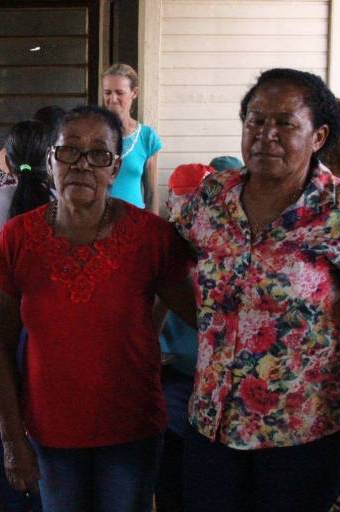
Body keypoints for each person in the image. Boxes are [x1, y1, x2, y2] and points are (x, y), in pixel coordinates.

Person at [0, 105, 194, 512]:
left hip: (131, 430)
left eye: (99, 154)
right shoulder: (18, 237)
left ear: (115, 169)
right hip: (50, 434)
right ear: (50, 161)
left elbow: (202, 316)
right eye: (69, 151)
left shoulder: (150, 236)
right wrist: (12, 441)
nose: (82, 164)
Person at [172, 68, 340, 512]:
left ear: (318, 135)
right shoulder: (214, 195)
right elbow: (170, 259)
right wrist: (204, 318)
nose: (265, 135)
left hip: (301, 434)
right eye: (254, 120)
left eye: (285, 123)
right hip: (211, 424)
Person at [0, 120, 51, 511]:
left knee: (0, 422)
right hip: (42, 330)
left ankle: (8, 497)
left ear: (9, 156)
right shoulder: (58, 200)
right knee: (40, 419)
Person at [154, 163, 214, 512]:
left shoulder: (223, 249)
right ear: (170, 203)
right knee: (174, 474)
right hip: (174, 379)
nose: (194, 209)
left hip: (217, 386)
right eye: (186, 200)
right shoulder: (163, 249)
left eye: (202, 200)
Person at [102, 63, 162, 212]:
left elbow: (152, 193)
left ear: (134, 93)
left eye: (119, 92)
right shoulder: (93, 134)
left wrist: (152, 231)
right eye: (107, 92)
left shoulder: (146, 137)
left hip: (134, 223)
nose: (113, 98)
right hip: (99, 224)